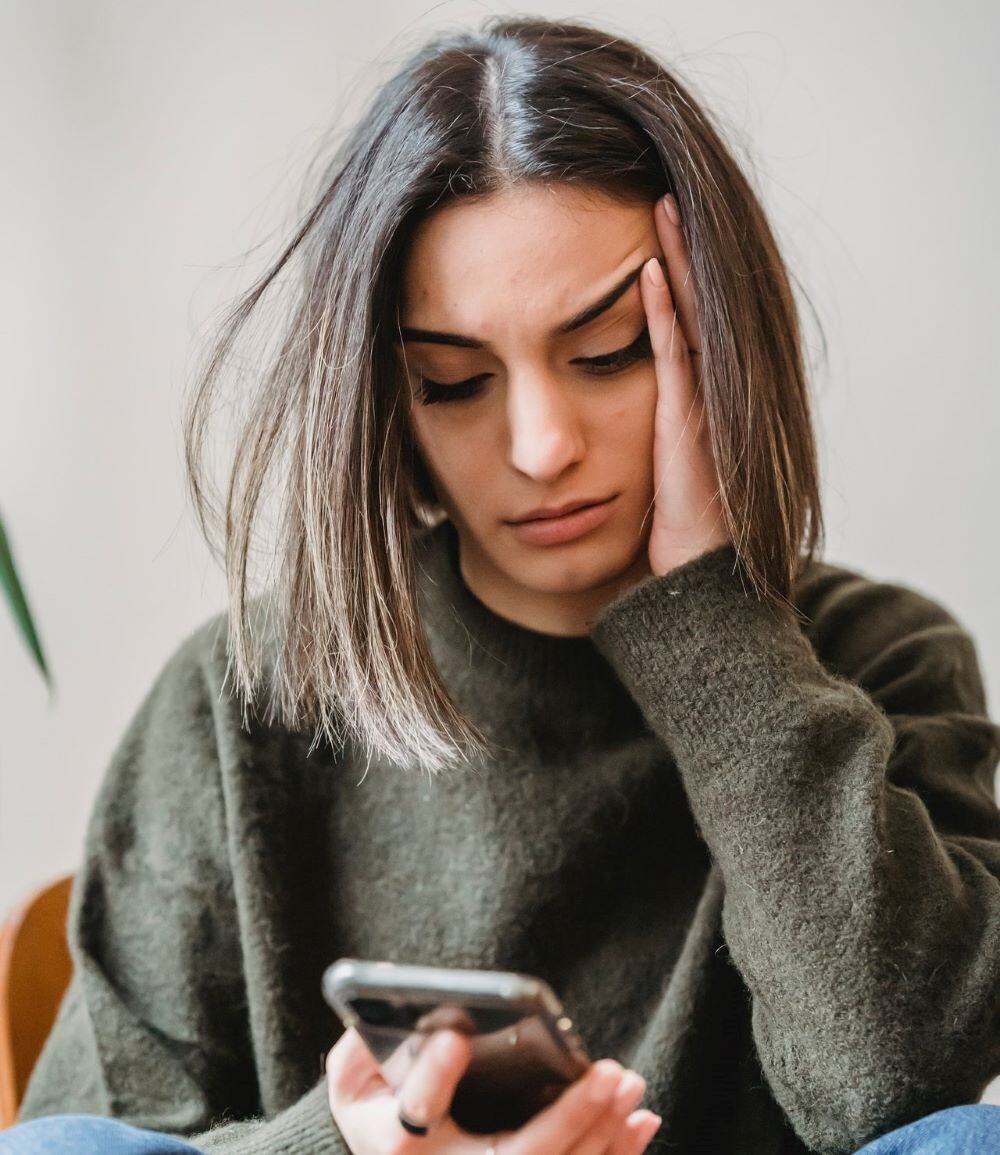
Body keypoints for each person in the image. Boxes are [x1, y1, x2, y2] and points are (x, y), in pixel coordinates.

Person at [6, 14, 1000, 1155]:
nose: (538, 446)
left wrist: (713, 625)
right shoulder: (242, 700)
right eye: (454, 382)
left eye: (609, 353)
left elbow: (898, 1082)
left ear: (720, 345)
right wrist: (341, 1146)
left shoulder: (879, 653)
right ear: (387, 400)